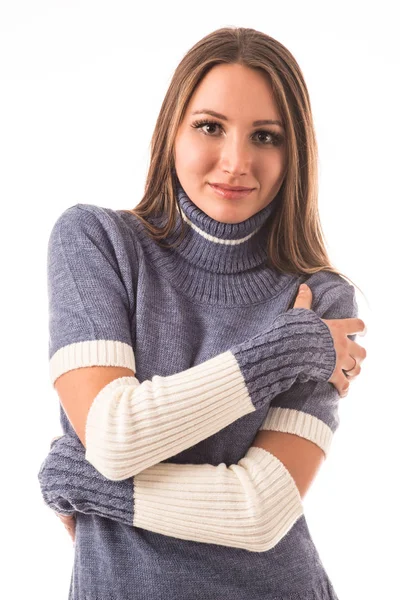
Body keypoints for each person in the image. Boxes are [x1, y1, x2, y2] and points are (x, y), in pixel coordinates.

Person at [38, 26, 367, 600]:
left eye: (266, 136)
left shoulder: (321, 299)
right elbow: (115, 435)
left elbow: (259, 511)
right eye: (210, 126)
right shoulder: (96, 243)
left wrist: (94, 487)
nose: (236, 161)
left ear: (296, 154)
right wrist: (286, 351)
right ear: (172, 132)